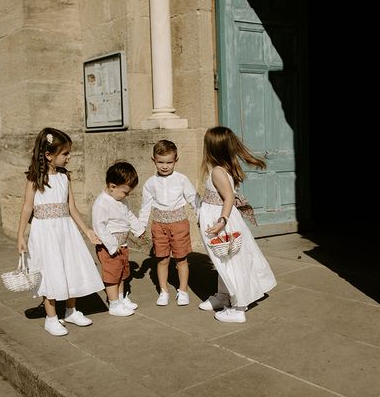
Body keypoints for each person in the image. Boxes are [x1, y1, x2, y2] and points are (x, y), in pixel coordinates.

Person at [16, 128, 104, 336]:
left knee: (70, 266)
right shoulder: (34, 179)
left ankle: (71, 310)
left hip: (66, 230)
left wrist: (87, 230)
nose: (69, 157)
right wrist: (20, 235)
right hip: (45, 232)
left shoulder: (65, 177)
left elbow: (71, 207)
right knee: (50, 270)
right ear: (49, 155)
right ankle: (51, 317)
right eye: (65, 154)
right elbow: (27, 207)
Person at [198, 126, 277, 323]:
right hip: (219, 220)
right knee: (222, 262)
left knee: (232, 263)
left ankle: (239, 307)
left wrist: (221, 221)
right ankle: (222, 296)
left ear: (212, 148)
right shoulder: (221, 169)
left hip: (222, 223)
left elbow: (229, 198)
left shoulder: (217, 171)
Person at [138, 140, 199, 306]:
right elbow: (145, 207)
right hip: (158, 225)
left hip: (179, 224)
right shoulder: (150, 183)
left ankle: (183, 290)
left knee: (181, 259)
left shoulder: (182, 180)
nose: (165, 166)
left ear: (176, 161)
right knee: (162, 259)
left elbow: (193, 199)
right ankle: (163, 290)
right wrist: (140, 226)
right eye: (160, 162)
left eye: (169, 162)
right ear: (154, 160)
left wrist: (201, 216)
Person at [92, 161, 145, 316]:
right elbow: (99, 227)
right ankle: (114, 304)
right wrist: (112, 245)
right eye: (125, 192)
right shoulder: (102, 203)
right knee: (111, 275)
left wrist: (138, 229)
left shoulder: (121, 200)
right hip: (110, 247)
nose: (126, 196)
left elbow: (129, 215)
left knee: (122, 273)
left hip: (123, 245)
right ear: (112, 186)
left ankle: (121, 299)